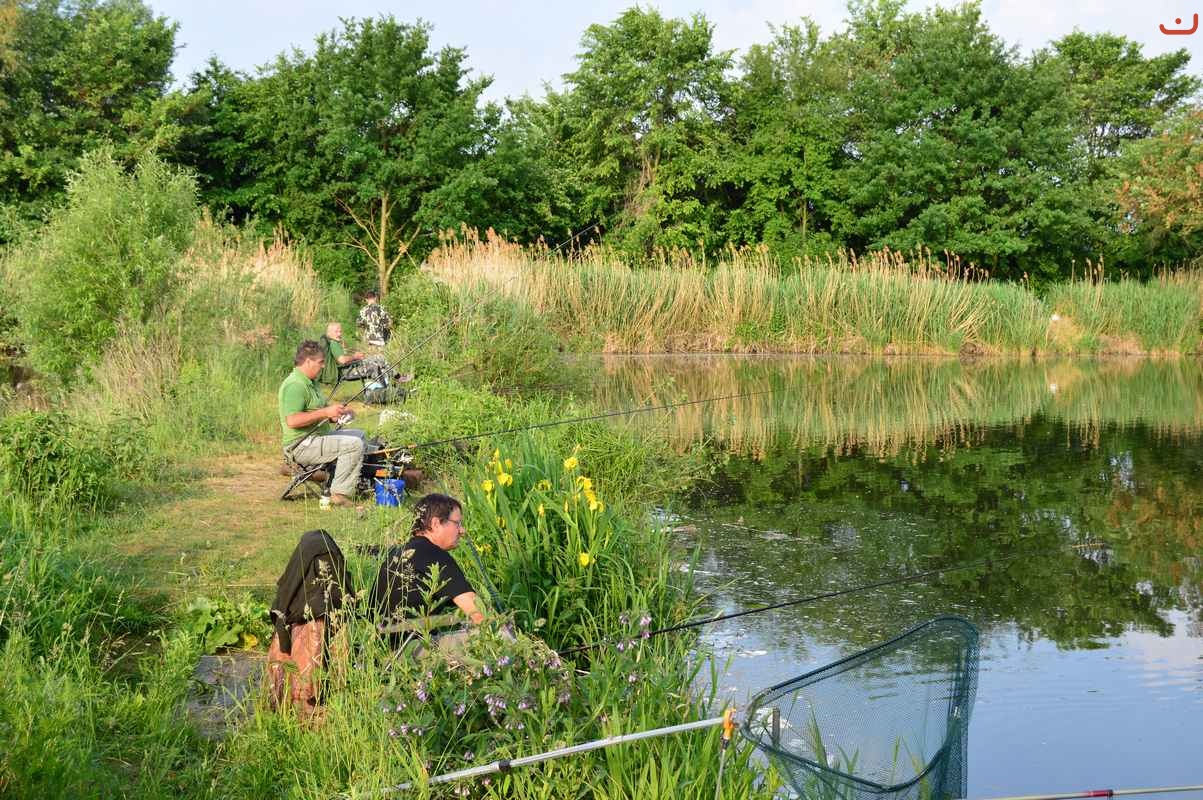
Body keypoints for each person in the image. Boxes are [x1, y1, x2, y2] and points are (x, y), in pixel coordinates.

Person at [369, 493, 483, 651]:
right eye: (457, 523)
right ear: (436, 524)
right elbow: (480, 614)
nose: (462, 530)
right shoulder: (435, 555)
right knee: (500, 636)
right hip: (411, 650)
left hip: (379, 648)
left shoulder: (398, 552)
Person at [279, 340, 368, 507]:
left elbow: (320, 412)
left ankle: (342, 481)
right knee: (354, 445)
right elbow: (292, 420)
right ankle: (339, 494)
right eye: (320, 362)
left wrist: (338, 414)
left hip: (316, 437)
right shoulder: (295, 385)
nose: (323, 366)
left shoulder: (311, 382)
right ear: (308, 362)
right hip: (300, 445)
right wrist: (325, 413)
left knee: (360, 435)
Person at [320, 322, 392, 384]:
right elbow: (342, 360)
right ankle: (384, 388)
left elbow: (342, 359)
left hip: (348, 367)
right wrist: (355, 357)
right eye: (336, 332)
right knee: (376, 366)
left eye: (340, 331)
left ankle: (393, 379)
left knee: (379, 358)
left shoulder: (334, 342)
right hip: (346, 372)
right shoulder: (334, 344)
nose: (339, 334)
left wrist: (357, 357)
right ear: (329, 333)